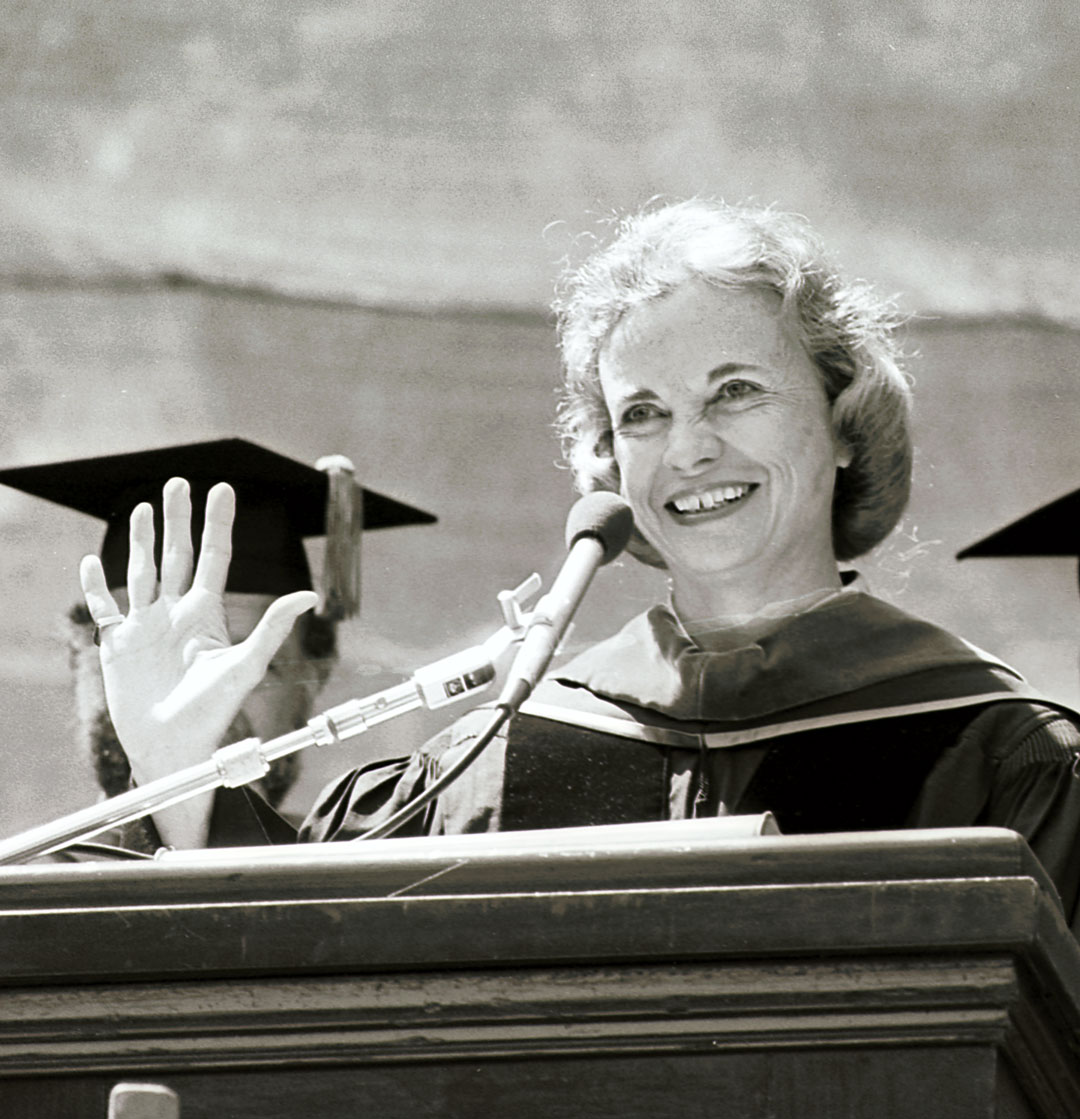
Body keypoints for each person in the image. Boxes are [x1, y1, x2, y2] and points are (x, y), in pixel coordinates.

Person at [80, 201, 1080, 933]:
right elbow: (306, 977)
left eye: (734, 392)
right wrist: (182, 775)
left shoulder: (1001, 757)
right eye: (642, 412)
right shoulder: (510, 751)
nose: (688, 449)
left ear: (845, 423)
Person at [0, 437, 435, 851]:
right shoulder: (23, 885)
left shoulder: (358, 876)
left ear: (314, 673)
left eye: (250, 663)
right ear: (80, 660)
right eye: (149, 656)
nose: (193, 690)